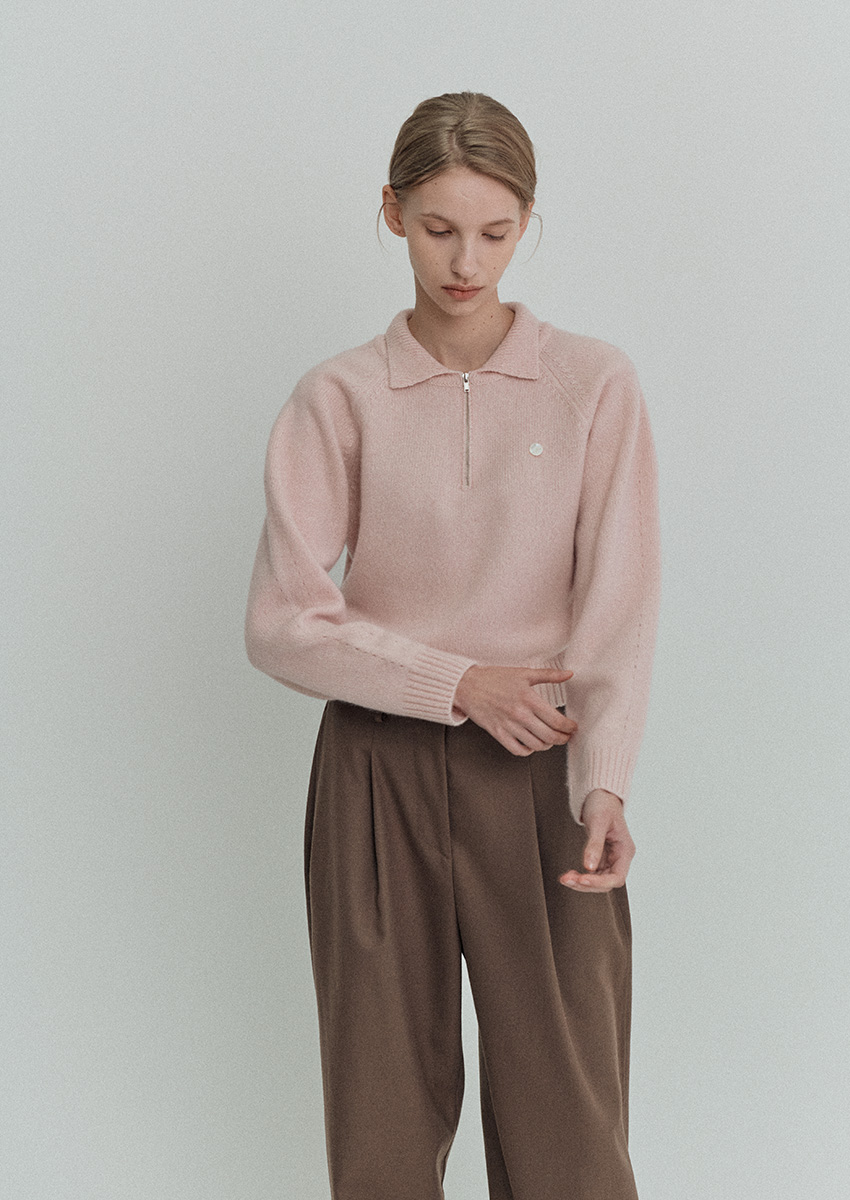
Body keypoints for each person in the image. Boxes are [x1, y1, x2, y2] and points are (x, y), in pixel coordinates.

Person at [245, 91, 660, 1200]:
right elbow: (282, 621)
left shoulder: (593, 384)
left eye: (494, 231)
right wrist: (458, 682)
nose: (466, 261)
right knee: (383, 1119)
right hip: (375, 772)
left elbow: (619, 606)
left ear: (527, 222)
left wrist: (605, 781)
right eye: (437, 229)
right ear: (391, 213)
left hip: (543, 770)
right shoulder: (339, 397)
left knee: (571, 1126)